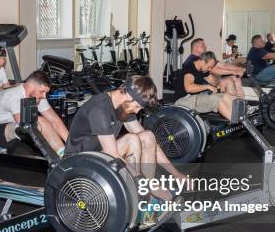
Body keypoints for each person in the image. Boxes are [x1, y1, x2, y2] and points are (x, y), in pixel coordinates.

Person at [65, 75, 185, 216]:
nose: (137, 111)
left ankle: (147, 198)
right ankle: (139, 200)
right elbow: (113, 156)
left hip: (99, 157)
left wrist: (175, 173)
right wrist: (148, 186)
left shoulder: (123, 107)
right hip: (79, 167)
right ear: (127, 94)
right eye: (138, 106)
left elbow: (149, 142)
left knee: (148, 136)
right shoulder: (99, 109)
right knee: (131, 140)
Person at [0, 70, 68, 156]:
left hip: (5, 127)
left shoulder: (38, 95)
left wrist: (72, 145)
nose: (44, 96)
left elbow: (55, 120)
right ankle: (63, 156)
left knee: (38, 122)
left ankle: (67, 154)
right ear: (31, 86)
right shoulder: (13, 96)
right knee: (35, 122)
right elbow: (26, 125)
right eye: (42, 92)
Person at [174, 52, 234, 121]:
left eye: (211, 67)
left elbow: (214, 82)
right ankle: (235, 120)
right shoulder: (189, 68)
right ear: (202, 61)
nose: (209, 69)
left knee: (225, 96)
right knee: (217, 100)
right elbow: (189, 88)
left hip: (194, 97)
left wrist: (220, 82)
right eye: (209, 67)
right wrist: (207, 86)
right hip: (183, 101)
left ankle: (239, 114)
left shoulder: (203, 69)